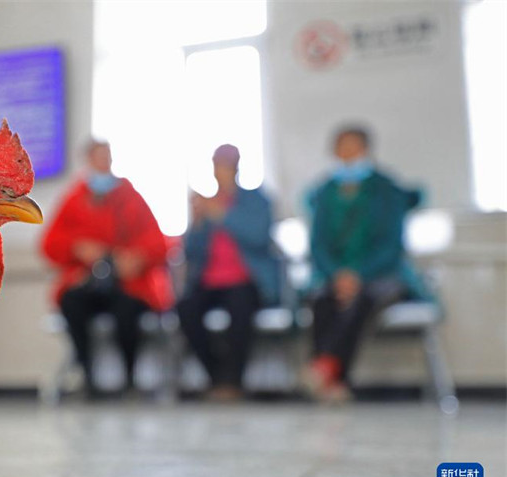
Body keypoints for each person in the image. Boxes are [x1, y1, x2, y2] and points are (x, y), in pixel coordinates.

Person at [304, 125, 426, 402]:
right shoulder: (324, 193)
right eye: (342, 147)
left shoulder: (386, 190)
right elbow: (318, 245)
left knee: (362, 301)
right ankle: (333, 382)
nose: (347, 154)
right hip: (333, 277)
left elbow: (391, 245)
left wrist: (358, 275)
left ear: (366, 150)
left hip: (380, 274)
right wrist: (338, 275)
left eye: (353, 147)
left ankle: (326, 368)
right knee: (322, 301)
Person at [41, 140, 173, 397]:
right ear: (88, 162)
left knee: (127, 309)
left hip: (127, 285)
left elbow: (158, 242)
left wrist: (136, 257)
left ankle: (130, 379)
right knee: (71, 301)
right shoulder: (74, 200)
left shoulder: (131, 197)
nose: (104, 163)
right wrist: (77, 247)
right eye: (98, 158)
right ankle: (87, 376)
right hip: (88, 282)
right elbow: (49, 244)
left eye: (107, 158)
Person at [177, 144, 280, 401]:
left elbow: (258, 238)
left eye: (225, 163)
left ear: (236, 166)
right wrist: (198, 223)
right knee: (185, 308)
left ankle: (233, 380)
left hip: (247, 280)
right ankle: (217, 377)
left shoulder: (257, 200)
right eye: (216, 164)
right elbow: (191, 252)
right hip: (209, 282)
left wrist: (223, 215)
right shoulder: (206, 203)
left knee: (240, 307)